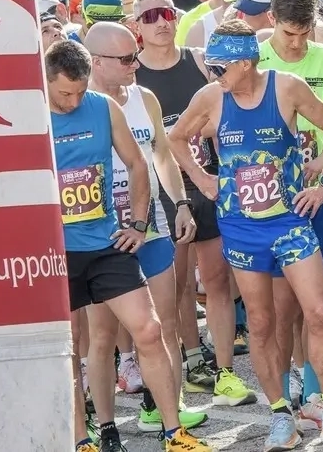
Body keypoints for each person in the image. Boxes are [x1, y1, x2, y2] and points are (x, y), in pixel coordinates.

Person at [167, 21, 323, 449]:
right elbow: (177, 137)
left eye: (220, 67)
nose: (213, 74)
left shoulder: (286, 88)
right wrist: (204, 181)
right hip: (241, 227)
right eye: (210, 66)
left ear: (246, 63)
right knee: (260, 323)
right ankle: (281, 415)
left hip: (289, 222)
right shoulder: (212, 97)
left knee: (317, 312)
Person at [47, 39, 211, 452]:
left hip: (106, 243)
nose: (74, 100)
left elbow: (140, 161)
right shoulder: (34, 117)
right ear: (45, 82)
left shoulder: (103, 107)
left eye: (80, 91)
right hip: (57, 252)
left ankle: (173, 433)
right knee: (70, 349)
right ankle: (83, 438)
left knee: (150, 329)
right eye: (65, 92)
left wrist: (138, 224)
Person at [132, 0, 258, 406]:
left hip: (209, 181)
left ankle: (224, 371)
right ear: (137, 27)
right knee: (177, 285)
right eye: (150, 16)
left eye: (166, 13)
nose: (162, 22)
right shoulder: (134, 79)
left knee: (219, 278)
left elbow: (226, 115)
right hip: (167, 191)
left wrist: (206, 159)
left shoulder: (201, 60)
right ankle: (189, 358)